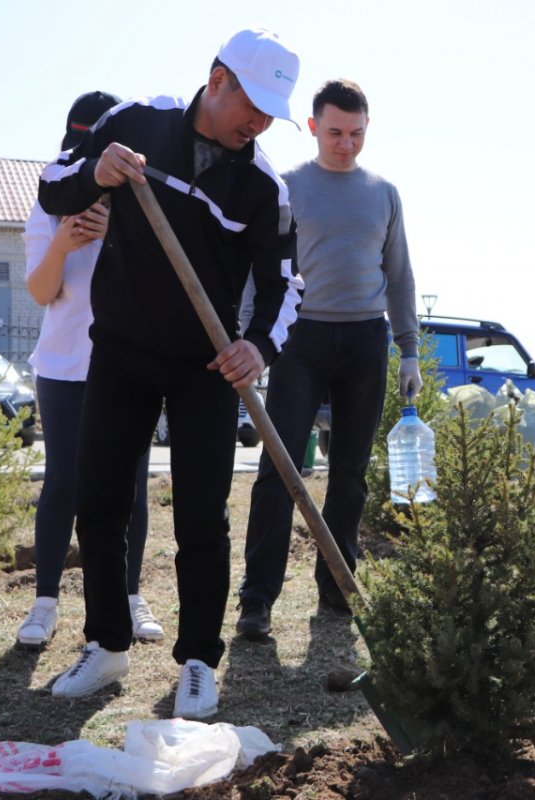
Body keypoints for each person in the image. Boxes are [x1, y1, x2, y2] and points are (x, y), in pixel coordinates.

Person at [36, 28, 304, 719]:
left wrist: (258, 349)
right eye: (254, 101)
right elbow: (52, 188)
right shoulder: (132, 125)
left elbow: (284, 286)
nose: (261, 122)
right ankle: (107, 643)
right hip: (119, 351)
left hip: (206, 369)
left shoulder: (261, 185)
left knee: (201, 519)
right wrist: (98, 172)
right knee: (99, 500)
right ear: (217, 79)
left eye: (274, 111)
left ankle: (196, 661)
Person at [235, 79, 420, 640]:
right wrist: (254, 340)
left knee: (351, 475)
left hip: (365, 341)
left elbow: (400, 274)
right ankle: (257, 601)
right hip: (299, 339)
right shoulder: (286, 187)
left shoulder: (384, 193)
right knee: (280, 470)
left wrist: (408, 350)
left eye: (356, 134)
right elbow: (258, 272)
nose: (346, 144)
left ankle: (337, 591)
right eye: (335, 132)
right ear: (314, 127)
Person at [17, 91, 163, 650]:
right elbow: (41, 291)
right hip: (62, 366)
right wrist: (64, 241)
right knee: (64, 484)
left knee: (132, 487)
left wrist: (115, 235)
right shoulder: (49, 202)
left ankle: (129, 597)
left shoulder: (138, 201)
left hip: (129, 363)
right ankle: (45, 603)